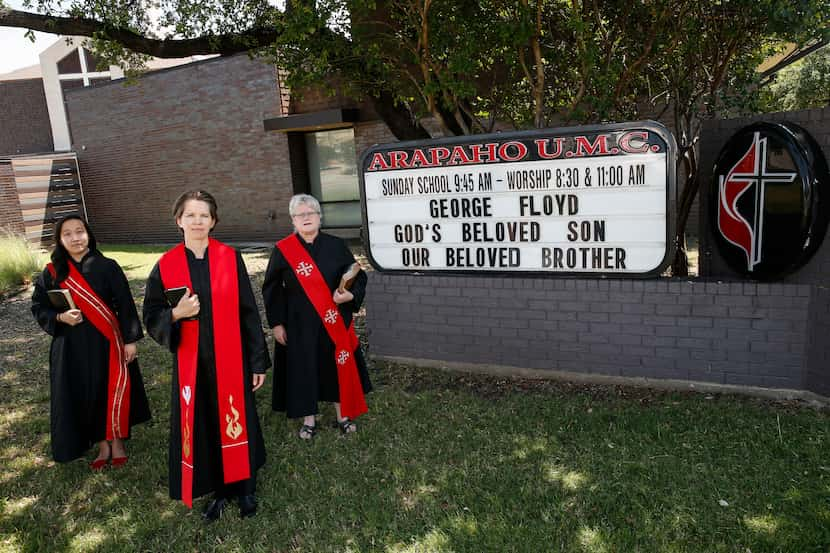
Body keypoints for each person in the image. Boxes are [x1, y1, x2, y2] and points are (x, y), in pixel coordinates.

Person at [143, 190, 269, 521]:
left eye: (204, 215)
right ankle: (217, 490)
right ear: (178, 220)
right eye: (190, 215)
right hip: (193, 364)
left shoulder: (229, 257)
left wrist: (257, 361)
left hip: (232, 359)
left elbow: (248, 311)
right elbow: (152, 315)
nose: (197, 221)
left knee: (236, 420)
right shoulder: (166, 265)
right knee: (203, 424)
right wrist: (175, 314)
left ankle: (244, 488)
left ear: (213, 221)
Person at [31, 215, 151, 470]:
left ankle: (117, 440)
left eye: (80, 231)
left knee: (110, 387)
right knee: (85, 391)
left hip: (107, 341)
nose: (75, 238)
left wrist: (130, 340)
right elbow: (38, 306)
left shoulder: (108, 266)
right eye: (68, 234)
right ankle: (101, 443)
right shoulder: (52, 272)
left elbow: (126, 304)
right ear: (60, 240)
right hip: (71, 345)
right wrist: (60, 317)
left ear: (88, 234)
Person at [262, 193, 371, 440]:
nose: (306, 217)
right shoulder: (283, 250)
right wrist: (277, 323)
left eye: (311, 212)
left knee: (336, 365)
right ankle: (308, 419)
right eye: (300, 214)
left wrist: (350, 296)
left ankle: (343, 415)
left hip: (333, 321)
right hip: (298, 323)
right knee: (304, 369)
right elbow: (271, 289)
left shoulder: (336, 245)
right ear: (293, 220)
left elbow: (356, 275)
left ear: (320, 217)